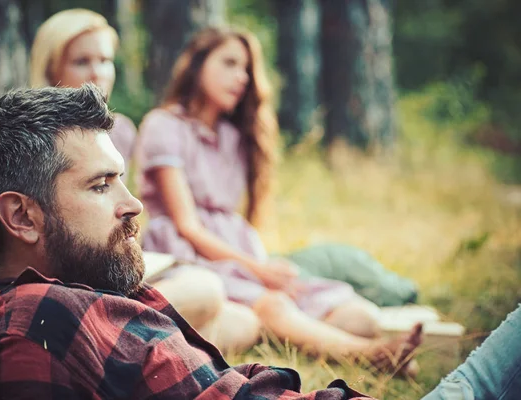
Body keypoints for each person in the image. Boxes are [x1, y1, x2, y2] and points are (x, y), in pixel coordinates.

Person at [0, 84, 381, 399]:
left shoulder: (82, 298)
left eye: (122, 181)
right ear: (22, 217)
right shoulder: (29, 328)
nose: (133, 204)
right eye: (100, 186)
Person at [135, 26, 420, 367]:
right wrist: (259, 270)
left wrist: (262, 265)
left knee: (355, 315)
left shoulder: (233, 134)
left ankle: (326, 339)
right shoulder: (163, 125)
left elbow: (234, 221)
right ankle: (369, 356)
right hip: (187, 253)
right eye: (229, 63)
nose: (241, 77)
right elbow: (188, 226)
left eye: (246, 70)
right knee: (274, 303)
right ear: (197, 64)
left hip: (236, 253)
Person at [28, 9, 228, 337]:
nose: (98, 73)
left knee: (236, 318)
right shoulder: (36, 136)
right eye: (82, 61)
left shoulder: (120, 130)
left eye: (105, 60)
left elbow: (119, 212)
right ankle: (96, 332)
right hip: (69, 277)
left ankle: (122, 344)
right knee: (206, 289)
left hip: (110, 267)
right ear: (52, 67)